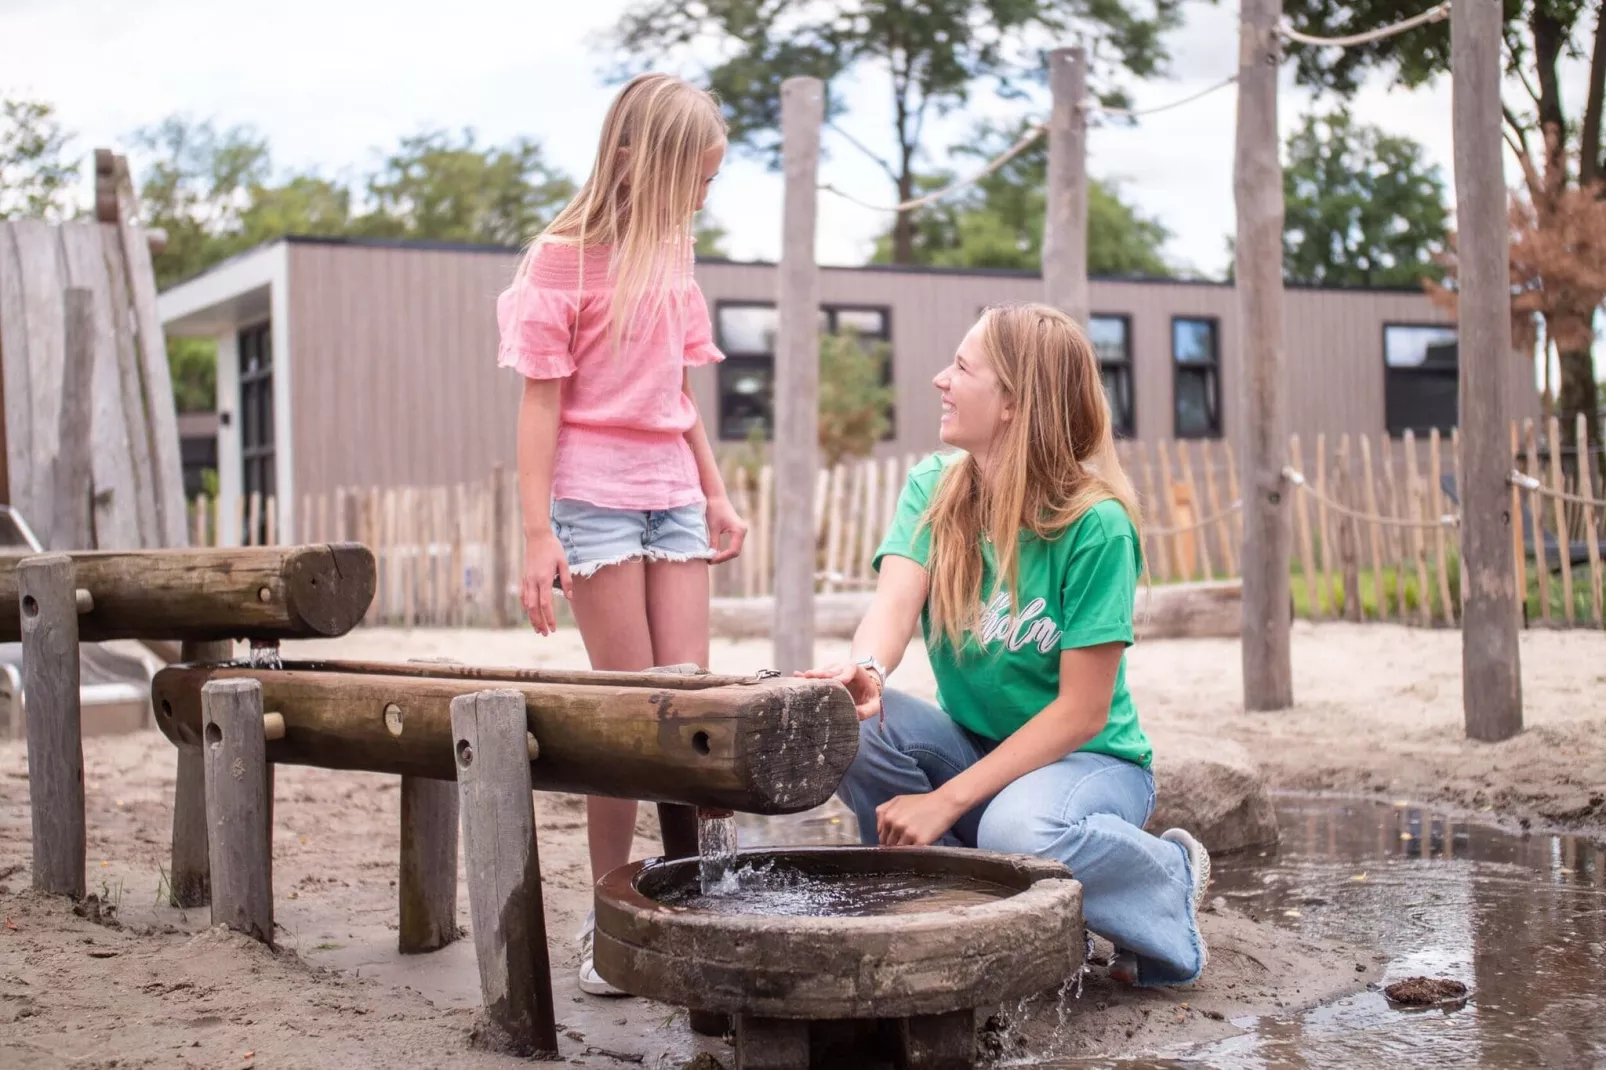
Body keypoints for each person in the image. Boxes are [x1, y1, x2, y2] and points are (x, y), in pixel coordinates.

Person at [799, 302, 1210, 987]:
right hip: (978, 748)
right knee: (848, 724)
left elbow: (1081, 714)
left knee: (1018, 831)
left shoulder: (1097, 526)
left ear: (1015, 403)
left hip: (1088, 759)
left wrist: (946, 800)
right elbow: (892, 608)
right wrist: (864, 668)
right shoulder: (936, 487)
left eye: (961, 367)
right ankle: (965, 911)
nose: (940, 379)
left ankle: (1165, 875)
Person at [497, 72, 746, 997]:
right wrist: (536, 533)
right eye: (696, 177)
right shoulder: (561, 259)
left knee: (692, 707)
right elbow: (539, 401)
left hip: (672, 491)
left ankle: (703, 899)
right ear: (637, 159)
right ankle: (612, 910)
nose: (702, 197)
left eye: (712, 182)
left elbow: (675, 398)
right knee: (630, 710)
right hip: (594, 499)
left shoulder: (675, 250)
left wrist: (715, 493)